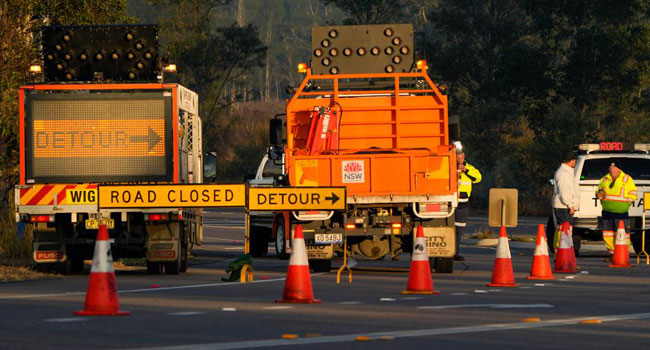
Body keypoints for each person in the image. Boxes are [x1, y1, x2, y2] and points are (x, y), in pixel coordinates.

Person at [596, 162, 637, 260]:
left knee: (622, 234)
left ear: (619, 169)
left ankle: (623, 254)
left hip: (621, 212)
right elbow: (599, 190)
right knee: (608, 233)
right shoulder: (605, 179)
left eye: (614, 167)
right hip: (607, 211)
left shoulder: (627, 179)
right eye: (610, 167)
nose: (612, 169)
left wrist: (628, 203)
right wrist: (598, 194)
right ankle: (612, 254)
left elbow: (633, 193)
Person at [455, 148, 482, 261]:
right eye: (457, 156)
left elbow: (478, 178)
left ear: (464, 156)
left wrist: (465, 170)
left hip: (463, 203)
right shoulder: (448, 166)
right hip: (450, 202)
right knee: (449, 228)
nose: (460, 158)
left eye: (461, 156)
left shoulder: (470, 168)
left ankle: (456, 252)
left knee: (459, 229)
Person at [552, 151, 580, 251]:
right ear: (571, 161)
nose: (575, 162)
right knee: (564, 230)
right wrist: (570, 205)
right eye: (574, 160)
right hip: (563, 207)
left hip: (564, 206)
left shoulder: (565, 172)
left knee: (563, 230)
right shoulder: (564, 173)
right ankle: (561, 251)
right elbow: (564, 191)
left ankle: (561, 251)